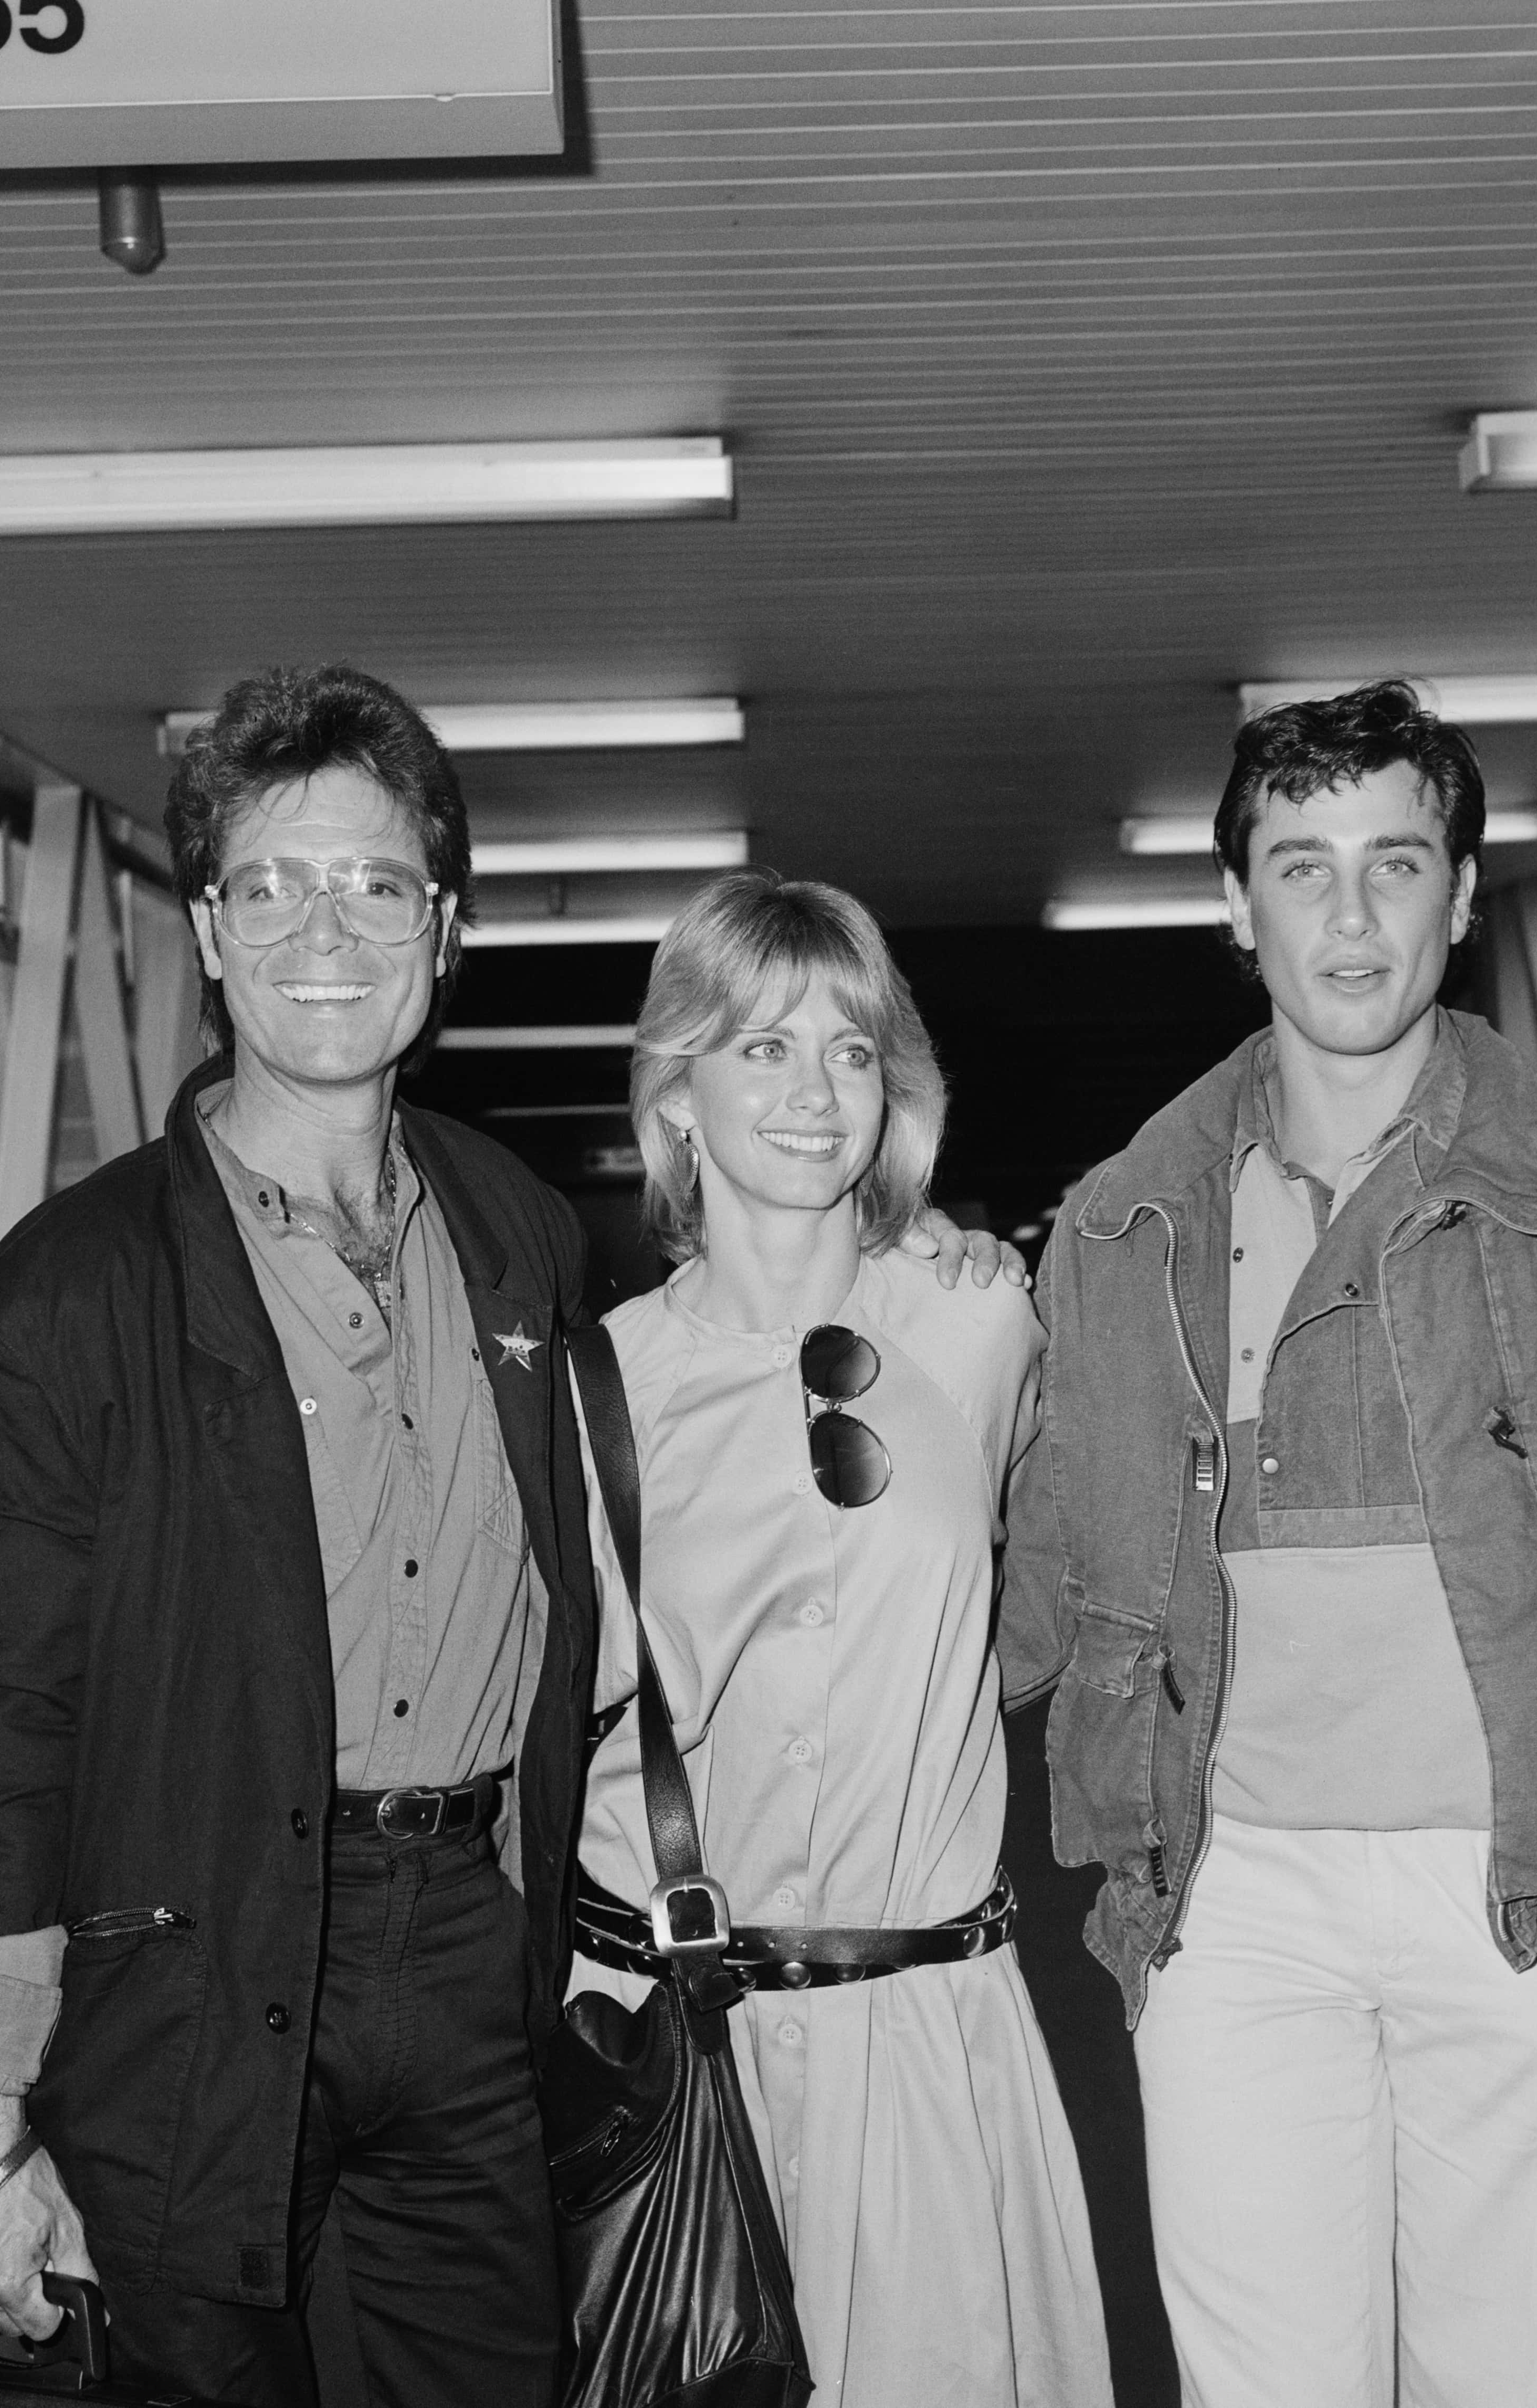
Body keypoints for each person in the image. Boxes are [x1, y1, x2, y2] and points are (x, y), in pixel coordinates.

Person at [0, 668, 1014, 2406]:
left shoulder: (513, 1238)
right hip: (189, 1963)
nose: (329, 930)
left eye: (379, 885)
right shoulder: (63, 1298)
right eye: (274, 884)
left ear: (445, 925)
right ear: (206, 925)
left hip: (469, 1959)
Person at [1002, 680, 1537, 2408]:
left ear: (1462, 896)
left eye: (1396, 861)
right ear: (1235, 906)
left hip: (1518, 1892)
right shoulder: (1119, 1226)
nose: (1352, 912)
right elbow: (1040, 1579)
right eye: (1300, 866)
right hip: (1228, 1901)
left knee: (1500, 2380)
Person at [566, 870, 1114, 2407]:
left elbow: (1068, 1593)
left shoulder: (985, 1324)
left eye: (852, 1048)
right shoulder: (596, 1382)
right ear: (675, 1089)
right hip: (671, 2054)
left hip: (924, 2040)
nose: (814, 1092)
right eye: (762, 1047)